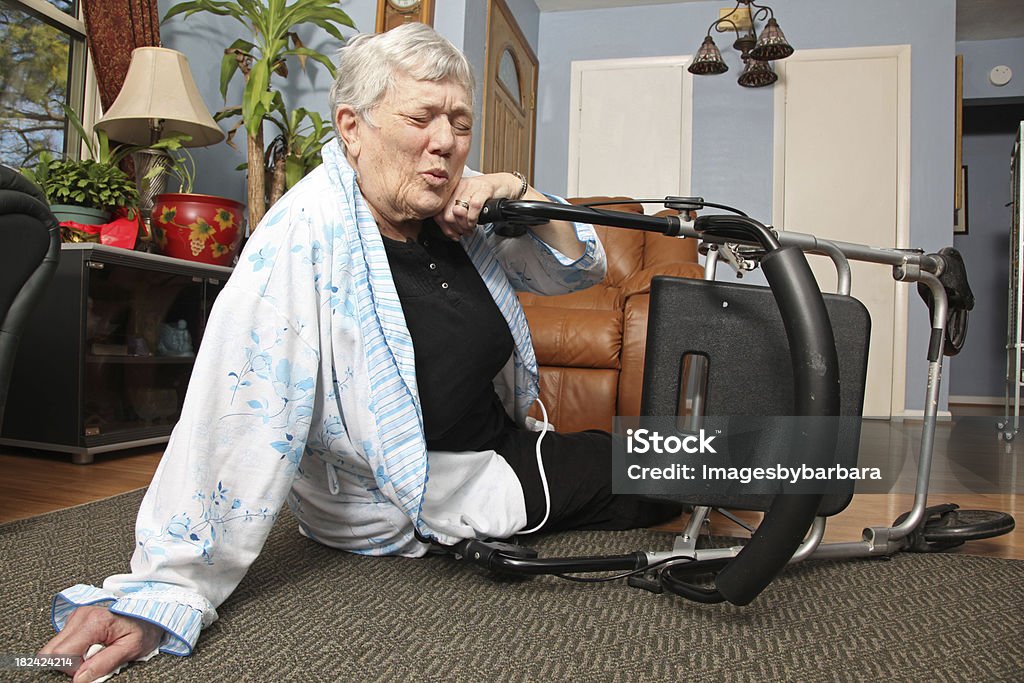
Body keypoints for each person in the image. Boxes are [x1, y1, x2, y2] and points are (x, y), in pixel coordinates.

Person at [39, 23, 679, 682]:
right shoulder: (305, 239)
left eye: (460, 123)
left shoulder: (451, 220)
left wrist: (513, 188)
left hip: (501, 445)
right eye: (422, 117)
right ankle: (776, 467)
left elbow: (574, 269)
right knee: (657, 469)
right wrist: (164, 590)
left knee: (655, 457)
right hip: (429, 495)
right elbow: (238, 413)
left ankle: (783, 467)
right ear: (351, 127)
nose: (446, 141)